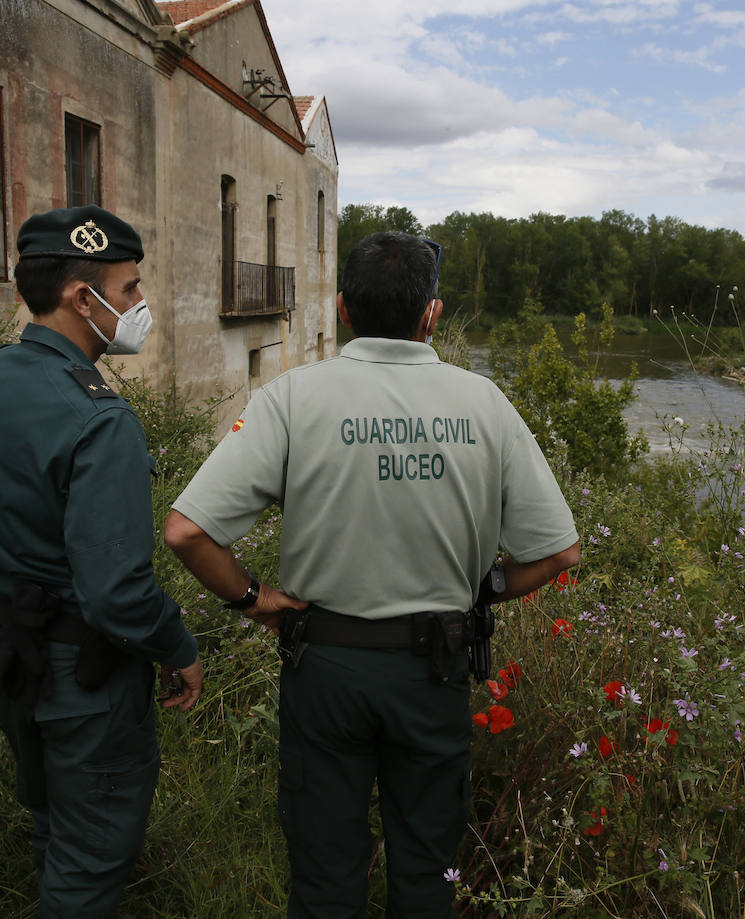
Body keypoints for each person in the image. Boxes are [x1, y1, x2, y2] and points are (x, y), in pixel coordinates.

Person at [164, 230, 580, 919]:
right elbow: (560, 551)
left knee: (325, 873)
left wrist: (252, 597)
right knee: (426, 871)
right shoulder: (485, 404)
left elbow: (185, 529)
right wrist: (492, 586)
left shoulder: (292, 397)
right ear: (432, 314)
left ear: (343, 309)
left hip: (323, 668)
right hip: (433, 671)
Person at [0, 204, 205, 919]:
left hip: (6, 652)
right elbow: (116, 591)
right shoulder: (98, 417)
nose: (138, 305)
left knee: (55, 824)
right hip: (81, 676)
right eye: (128, 289)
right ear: (80, 297)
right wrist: (178, 645)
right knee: (90, 860)